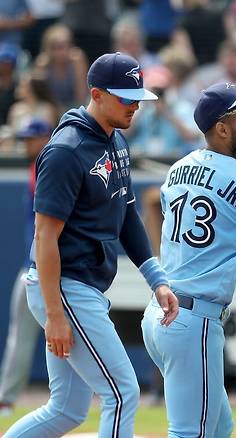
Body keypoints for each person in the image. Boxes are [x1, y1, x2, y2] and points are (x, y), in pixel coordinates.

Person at [2, 52, 179, 438]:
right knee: (123, 392)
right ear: (97, 94)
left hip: (82, 285)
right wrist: (54, 314)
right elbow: (45, 236)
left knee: (66, 409)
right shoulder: (66, 150)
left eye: (138, 98)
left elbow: (128, 214)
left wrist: (157, 279)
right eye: (125, 98)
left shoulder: (114, 139)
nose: (134, 106)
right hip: (65, 286)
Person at [141, 82, 236, 437]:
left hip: (161, 312)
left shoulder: (178, 168)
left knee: (220, 427)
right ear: (222, 129)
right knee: (189, 432)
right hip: (193, 319)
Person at [0, 118, 52, 417]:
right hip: (32, 267)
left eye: (32, 138)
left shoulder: (47, 163)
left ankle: (7, 400)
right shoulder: (40, 165)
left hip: (47, 269)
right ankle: (6, 400)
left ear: (45, 137)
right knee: (21, 336)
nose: (27, 144)